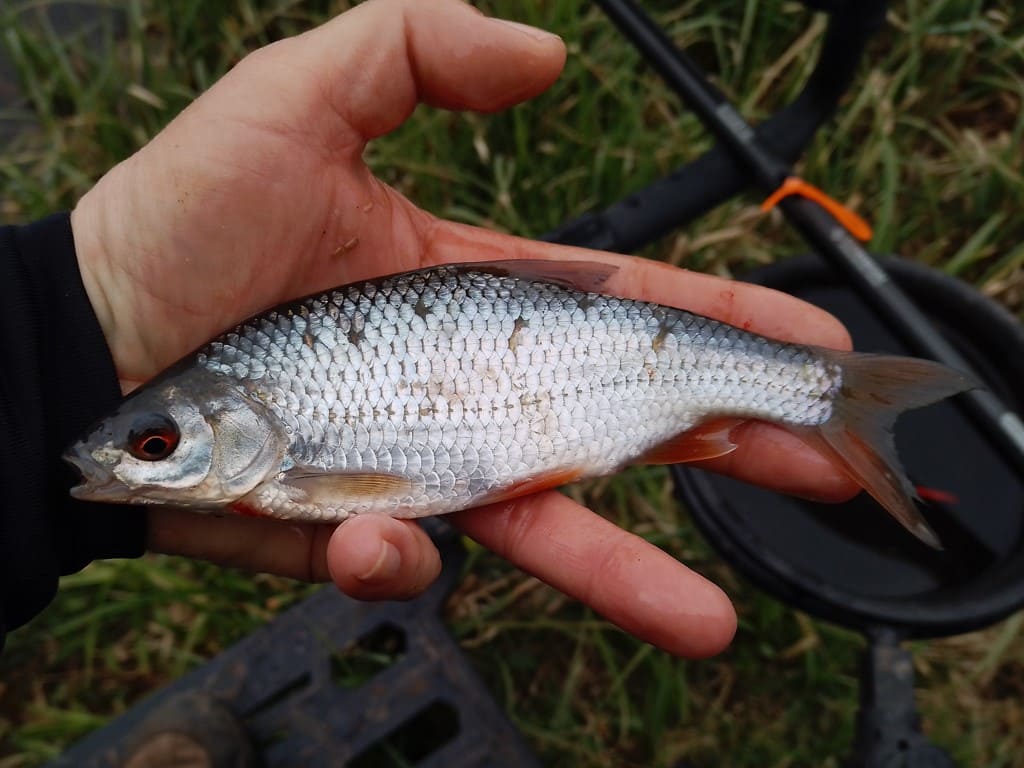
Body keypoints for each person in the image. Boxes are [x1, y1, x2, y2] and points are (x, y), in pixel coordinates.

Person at [0, 0, 858, 661]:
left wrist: (47, 326)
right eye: (150, 444)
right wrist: (57, 335)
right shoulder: (256, 444)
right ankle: (826, 394)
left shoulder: (279, 457)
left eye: (153, 442)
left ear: (227, 418)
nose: (134, 453)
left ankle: (829, 393)